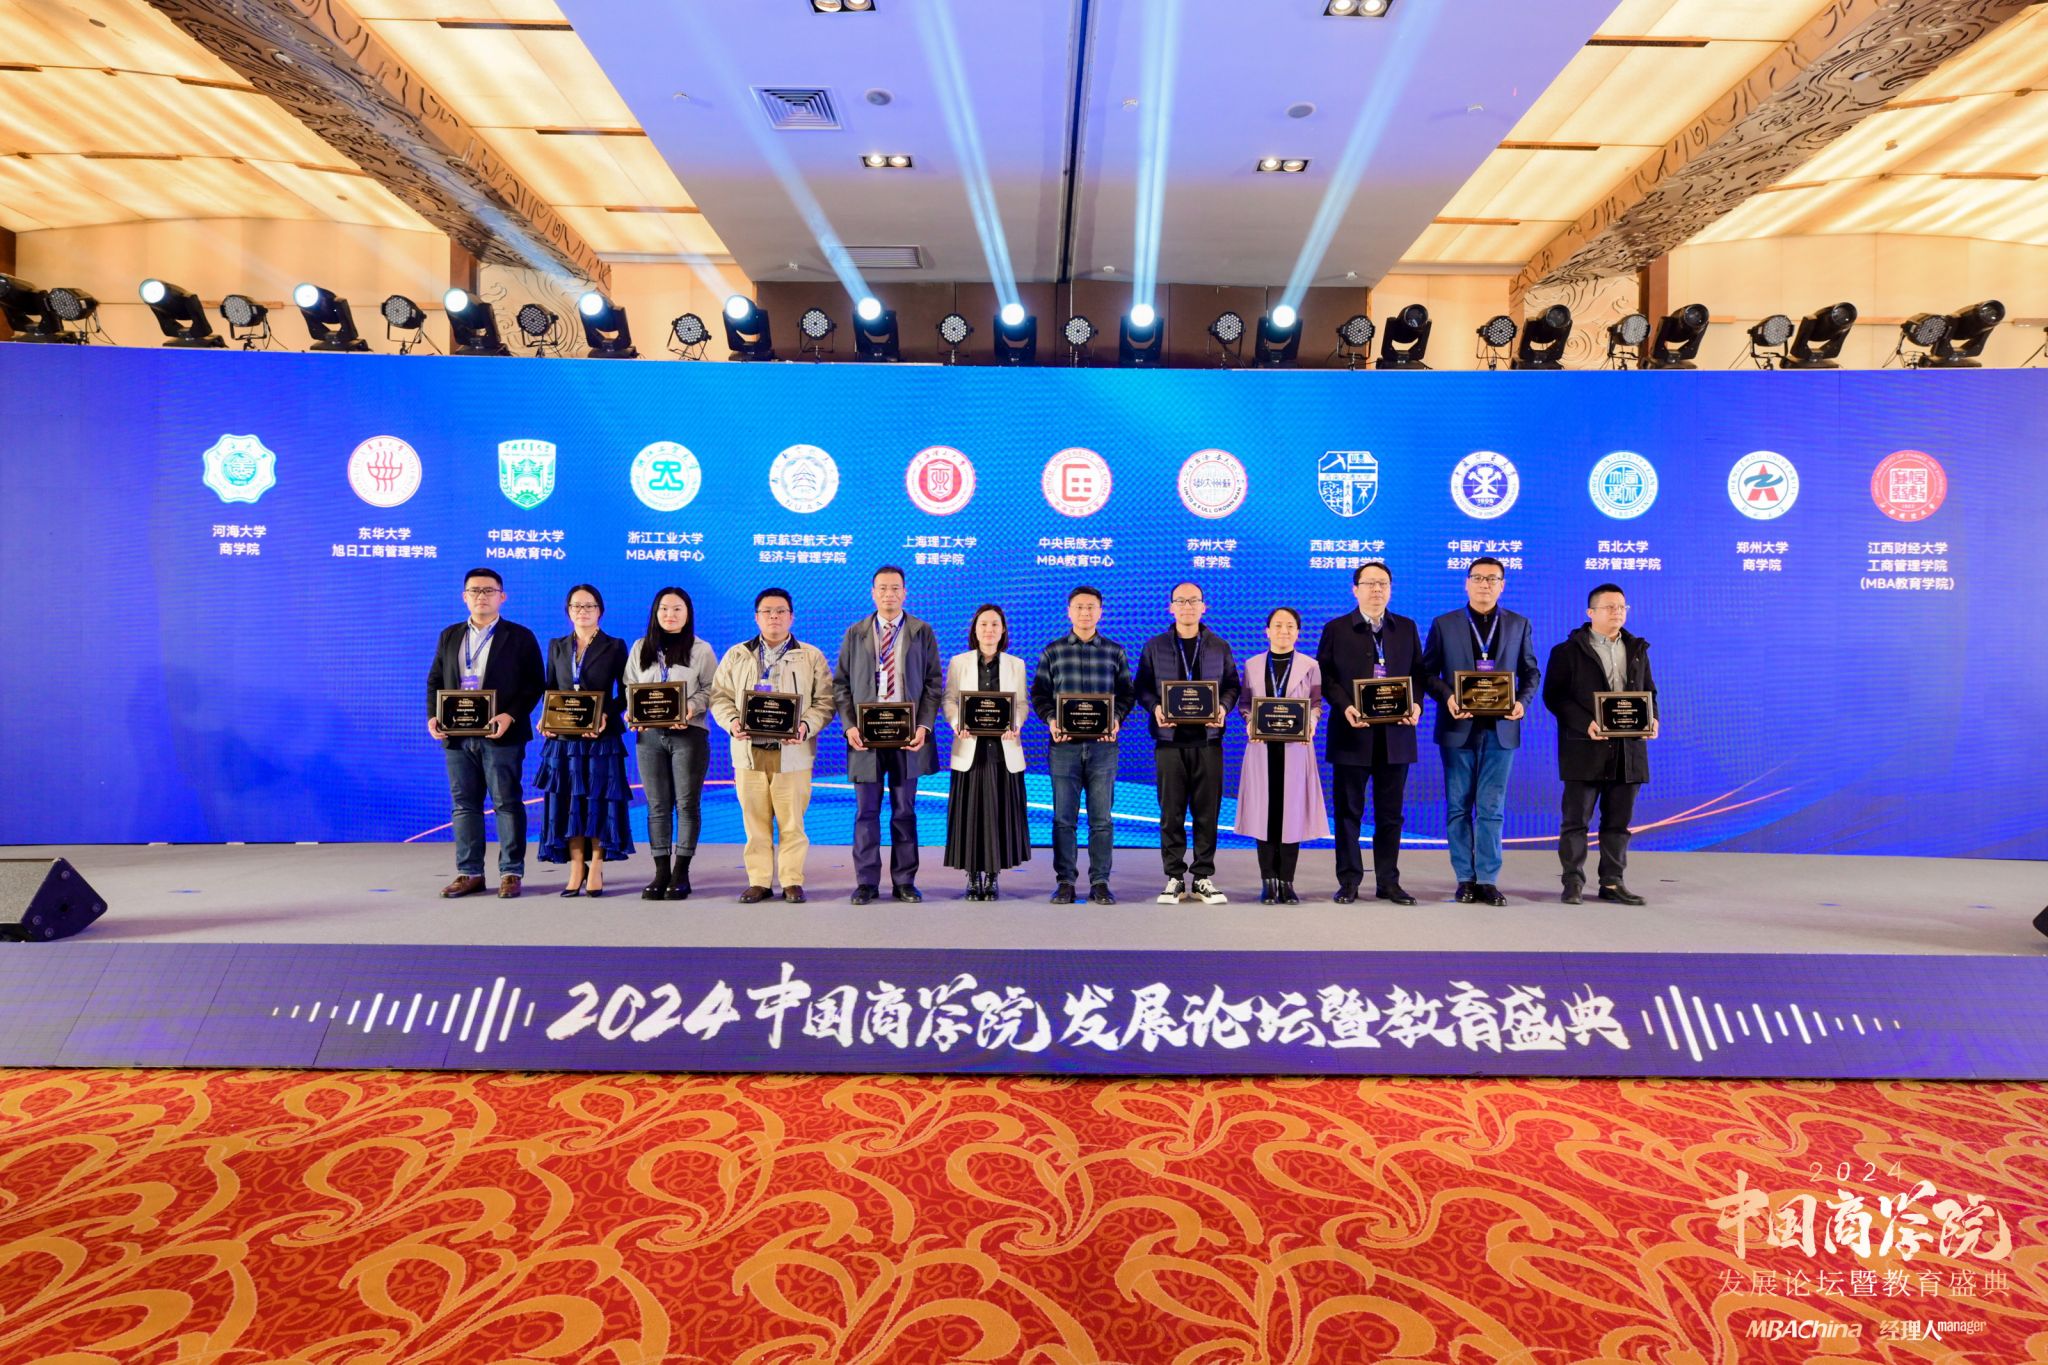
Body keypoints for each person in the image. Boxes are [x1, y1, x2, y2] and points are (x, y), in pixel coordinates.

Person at [1419, 556, 1541, 906]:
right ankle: (1464, 878)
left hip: (1502, 729)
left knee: (1492, 807)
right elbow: (1426, 673)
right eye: (1478, 577)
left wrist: (1521, 703)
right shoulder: (1445, 624)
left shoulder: (1519, 624)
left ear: (1502, 585)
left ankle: (1487, 879)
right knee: (1458, 806)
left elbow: (1531, 672)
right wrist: (1448, 697)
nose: (1484, 584)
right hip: (1458, 727)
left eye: (1492, 578)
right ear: (1466, 583)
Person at [710, 587, 835, 904]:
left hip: (792, 752)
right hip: (748, 751)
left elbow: (825, 702)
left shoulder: (811, 656)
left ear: (792, 617)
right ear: (757, 617)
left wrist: (804, 727)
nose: (774, 617)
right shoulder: (737, 654)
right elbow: (719, 697)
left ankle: (792, 880)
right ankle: (759, 881)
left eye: (781, 611)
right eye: (767, 611)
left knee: (792, 822)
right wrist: (732, 722)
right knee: (755, 822)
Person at [426, 567, 544, 899]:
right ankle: (470, 872)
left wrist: (511, 715)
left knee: (507, 802)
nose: (482, 596)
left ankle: (511, 872)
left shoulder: (520, 636)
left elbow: (535, 684)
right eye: (475, 590)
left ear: (502, 596)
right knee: (464, 804)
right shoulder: (449, 635)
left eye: (489, 590)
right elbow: (436, 680)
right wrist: (433, 716)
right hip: (457, 735)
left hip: (501, 734)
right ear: (464, 597)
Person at [1314, 562, 1424, 905]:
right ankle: (1349, 880)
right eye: (1370, 583)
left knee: (1391, 815)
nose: (1377, 589)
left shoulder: (1406, 627)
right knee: (1349, 812)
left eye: (1383, 583)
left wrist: (1416, 704)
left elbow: (1419, 674)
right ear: (1355, 589)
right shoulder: (1336, 628)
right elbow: (1325, 677)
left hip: (1396, 736)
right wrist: (1346, 705)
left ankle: (1389, 882)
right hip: (1351, 734)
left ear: (1390, 589)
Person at [834, 565, 944, 905]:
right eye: (882, 588)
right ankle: (866, 882)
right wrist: (850, 726)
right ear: (873, 593)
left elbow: (933, 684)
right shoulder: (856, 632)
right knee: (866, 812)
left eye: (895, 588)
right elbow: (840, 685)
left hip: (907, 737)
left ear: (905, 592)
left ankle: (904, 881)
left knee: (904, 811)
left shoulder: (921, 631)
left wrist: (924, 726)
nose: (889, 594)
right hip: (865, 738)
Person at [1542, 583, 1658, 905]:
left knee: (1618, 822)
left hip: (1628, 750)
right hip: (1584, 747)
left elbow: (1649, 691)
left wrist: (1653, 718)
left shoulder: (1637, 649)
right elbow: (1555, 697)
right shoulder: (1566, 652)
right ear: (1590, 612)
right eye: (1609, 607)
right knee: (1576, 821)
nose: (1617, 612)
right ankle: (1572, 881)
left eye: (1622, 607)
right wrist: (1585, 723)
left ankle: (1612, 882)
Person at [1132, 582, 1241, 904]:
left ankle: (1203, 876)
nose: (1187, 606)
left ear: (1203, 606)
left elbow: (1232, 685)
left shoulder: (1219, 646)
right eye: (1181, 601)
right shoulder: (1155, 646)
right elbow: (1142, 686)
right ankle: (1175, 877)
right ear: (1171, 607)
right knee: (1171, 813)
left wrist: (1223, 708)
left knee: (1207, 812)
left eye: (1193, 601)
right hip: (1169, 742)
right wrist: (1155, 707)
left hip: (1208, 741)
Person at [1030, 585, 1135, 905]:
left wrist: (1115, 718)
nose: (1085, 612)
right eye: (1079, 607)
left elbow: (1127, 694)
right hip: (1064, 747)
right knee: (1064, 819)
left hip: (1104, 748)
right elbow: (1039, 695)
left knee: (1101, 820)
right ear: (1069, 612)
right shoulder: (1053, 651)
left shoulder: (1115, 652)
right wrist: (1051, 719)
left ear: (1100, 612)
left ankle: (1100, 882)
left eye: (1091, 607)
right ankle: (1065, 881)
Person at [535, 584, 634, 894]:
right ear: (568, 611)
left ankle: (598, 866)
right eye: (576, 606)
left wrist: (605, 714)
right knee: (569, 801)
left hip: (600, 738)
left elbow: (626, 693)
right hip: (564, 740)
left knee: (598, 801)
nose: (582, 611)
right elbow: (551, 689)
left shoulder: (615, 646)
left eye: (589, 605)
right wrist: (546, 717)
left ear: (600, 610)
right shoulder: (557, 646)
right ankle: (577, 866)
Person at [624, 586, 718, 901]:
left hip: (688, 734)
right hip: (649, 737)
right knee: (657, 805)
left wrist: (689, 707)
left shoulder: (701, 649)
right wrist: (632, 712)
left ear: (688, 613)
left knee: (686, 804)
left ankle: (681, 872)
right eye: (664, 608)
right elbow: (630, 686)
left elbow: (712, 689)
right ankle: (661, 871)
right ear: (655, 612)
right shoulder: (641, 647)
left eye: (677, 608)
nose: (670, 614)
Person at [1235, 607, 1328, 904]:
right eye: (1278, 625)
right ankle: (1268, 881)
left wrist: (1311, 723)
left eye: (1290, 626)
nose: (1284, 631)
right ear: (1267, 631)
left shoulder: (1310, 666)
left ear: (1298, 632)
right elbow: (1245, 703)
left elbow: (1316, 703)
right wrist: (1250, 721)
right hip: (1261, 748)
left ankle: (1287, 881)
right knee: (1264, 814)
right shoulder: (1252, 665)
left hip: (1296, 749)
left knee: (1291, 815)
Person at [942, 604, 1032, 900]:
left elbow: (1021, 704)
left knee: (998, 816)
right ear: (975, 629)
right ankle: (971, 876)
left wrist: (1015, 723)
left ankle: (993, 876)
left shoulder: (1016, 664)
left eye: (995, 624)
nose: (989, 630)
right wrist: (957, 722)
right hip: (970, 751)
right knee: (970, 816)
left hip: (1003, 752)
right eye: (983, 624)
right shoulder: (959, 662)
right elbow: (950, 700)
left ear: (1003, 630)